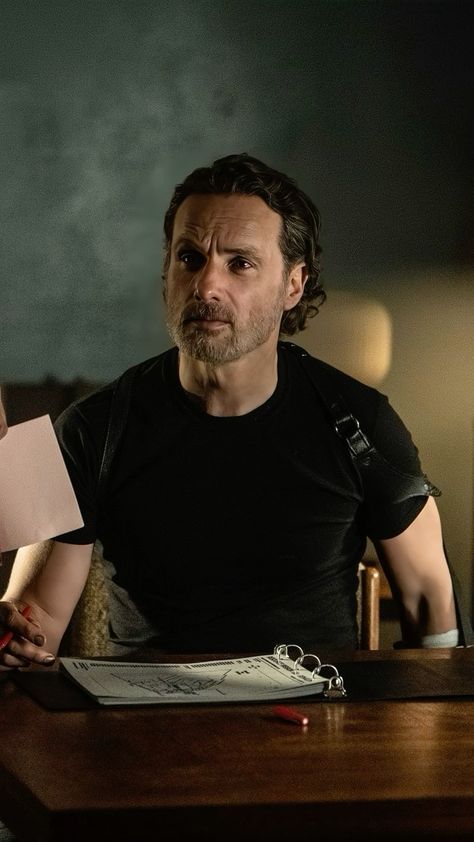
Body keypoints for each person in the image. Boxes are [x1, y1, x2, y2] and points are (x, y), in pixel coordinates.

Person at [0, 153, 459, 668]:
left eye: (239, 263)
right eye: (189, 258)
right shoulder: (89, 428)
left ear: (293, 285)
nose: (206, 286)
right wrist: (12, 634)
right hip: (144, 711)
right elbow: (34, 621)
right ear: (167, 271)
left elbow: (431, 605)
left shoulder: (361, 424)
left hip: (317, 708)